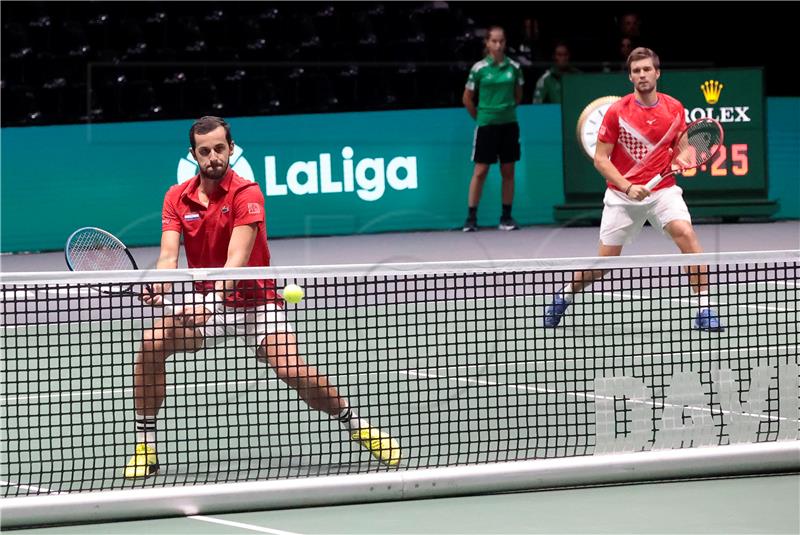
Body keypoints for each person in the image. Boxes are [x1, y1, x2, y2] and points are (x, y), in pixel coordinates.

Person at [123, 116, 401, 478]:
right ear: (193, 154)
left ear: (231, 149)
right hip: (211, 307)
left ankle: (356, 424)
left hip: (257, 304)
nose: (213, 157)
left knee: (292, 370)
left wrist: (207, 304)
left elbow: (235, 261)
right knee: (151, 342)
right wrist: (159, 284)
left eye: (219, 149)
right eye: (204, 151)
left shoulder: (247, 193)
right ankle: (146, 447)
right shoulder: (176, 197)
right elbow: (167, 257)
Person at [543, 48, 724, 332]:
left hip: (663, 190)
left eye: (647, 69)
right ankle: (563, 296)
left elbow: (685, 147)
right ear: (630, 76)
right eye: (637, 71)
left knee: (686, 234)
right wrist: (628, 187)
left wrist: (683, 158)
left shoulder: (674, 108)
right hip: (621, 196)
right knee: (605, 262)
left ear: (657, 72)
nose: (642, 75)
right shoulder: (617, 112)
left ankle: (704, 308)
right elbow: (601, 159)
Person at [462, 25, 524, 232]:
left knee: (508, 171)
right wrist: (481, 116)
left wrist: (504, 111)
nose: (498, 45)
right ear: (487, 43)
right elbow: (467, 98)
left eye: (501, 41)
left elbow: (518, 96)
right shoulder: (479, 69)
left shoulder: (514, 68)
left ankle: (506, 217)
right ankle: (471, 218)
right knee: (480, 171)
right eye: (494, 41)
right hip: (486, 125)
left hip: (508, 124)